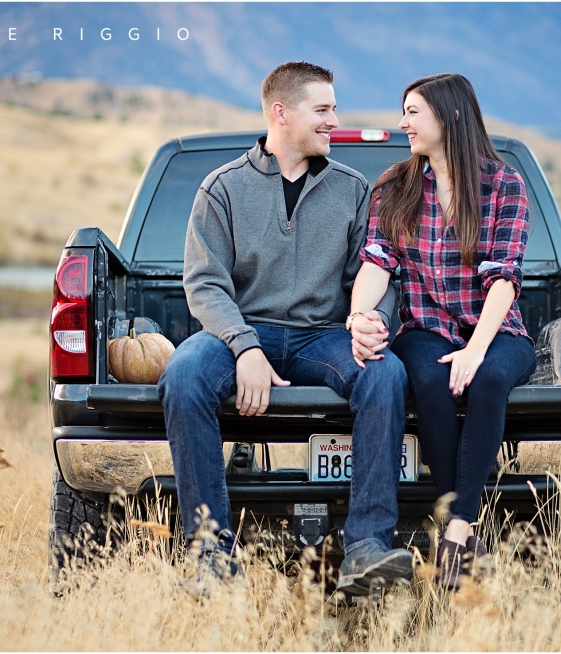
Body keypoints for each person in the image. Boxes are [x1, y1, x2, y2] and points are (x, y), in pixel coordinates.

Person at [158, 61, 412, 596]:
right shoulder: (221, 188)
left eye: (333, 110)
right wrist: (245, 347)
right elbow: (205, 284)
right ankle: (211, 557)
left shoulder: (353, 189)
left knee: (385, 373)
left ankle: (366, 547)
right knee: (183, 373)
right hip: (242, 331)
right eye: (322, 110)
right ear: (282, 113)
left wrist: (372, 323)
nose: (333, 121)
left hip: (324, 336)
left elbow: (378, 273)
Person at [348, 73, 537, 590]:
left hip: (497, 327)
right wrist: (359, 315)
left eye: (413, 112)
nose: (402, 122)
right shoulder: (395, 186)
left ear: (450, 116)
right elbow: (376, 263)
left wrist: (477, 351)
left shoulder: (503, 184)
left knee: (491, 380)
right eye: (403, 110)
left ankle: (457, 526)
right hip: (425, 323)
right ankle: (463, 534)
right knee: (430, 380)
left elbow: (505, 278)